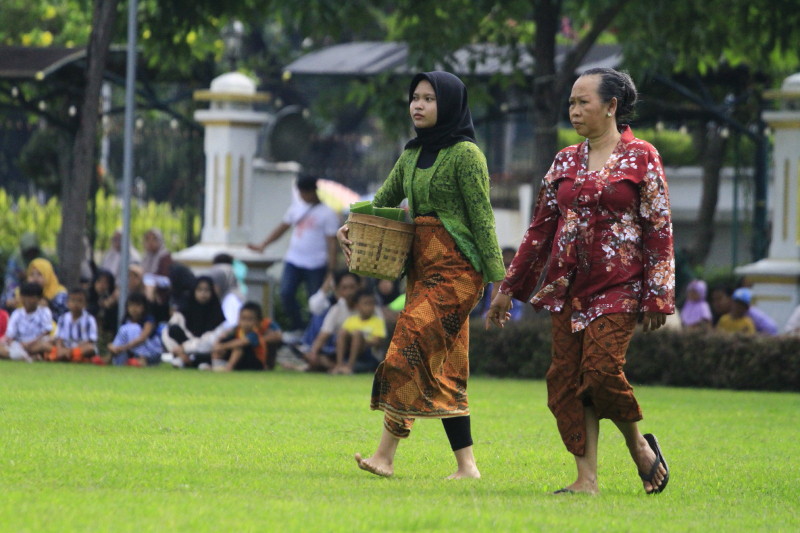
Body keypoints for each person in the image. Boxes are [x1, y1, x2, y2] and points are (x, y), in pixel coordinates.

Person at [487, 68, 672, 495]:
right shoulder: (564, 160)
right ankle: (586, 480)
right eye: (571, 102)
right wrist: (507, 289)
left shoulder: (642, 156)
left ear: (611, 106)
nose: (574, 110)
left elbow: (659, 228)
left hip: (620, 284)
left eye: (583, 102)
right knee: (568, 380)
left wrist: (658, 295)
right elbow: (539, 230)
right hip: (567, 287)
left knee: (602, 371)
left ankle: (638, 445)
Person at [338, 71, 505, 479]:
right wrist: (351, 224)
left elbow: (483, 220)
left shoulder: (467, 155)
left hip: (459, 273)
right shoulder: (411, 154)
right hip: (422, 272)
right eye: (415, 97)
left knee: (407, 348)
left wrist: (500, 280)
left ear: (448, 105)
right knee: (447, 368)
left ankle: (385, 456)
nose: (418, 105)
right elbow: (383, 201)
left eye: (429, 98)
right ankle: (467, 466)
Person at [248, 174, 340, 342]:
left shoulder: (327, 214)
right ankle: (298, 327)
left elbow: (332, 243)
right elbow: (282, 228)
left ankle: (313, 336)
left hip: (316, 263)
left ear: (312, 192)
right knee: (286, 293)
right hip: (294, 260)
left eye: (303, 192)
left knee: (316, 303)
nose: (301, 196)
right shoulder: (296, 208)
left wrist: (331, 270)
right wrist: (263, 245)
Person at [162, 276, 227, 369]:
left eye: (207, 290)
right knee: (173, 330)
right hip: (183, 350)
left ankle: (191, 361)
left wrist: (184, 348)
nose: (203, 293)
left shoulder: (217, 314)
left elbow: (209, 341)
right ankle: (184, 359)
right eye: (199, 290)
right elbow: (166, 333)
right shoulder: (183, 312)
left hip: (205, 351)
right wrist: (179, 352)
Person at [303, 271, 361, 371]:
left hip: (363, 353)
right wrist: (313, 353)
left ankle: (344, 367)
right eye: (344, 288)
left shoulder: (369, 305)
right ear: (338, 290)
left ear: (359, 287)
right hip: (340, 352)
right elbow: (324, 334)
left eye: (352, 287)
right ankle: (340, 367)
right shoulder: (336, 309)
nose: (349, 292)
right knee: (317, 357)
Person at [211, 302, 280, 371]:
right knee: (224, 342)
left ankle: (228, 367)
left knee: (238, 346)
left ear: (258, 322)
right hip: (244, 361)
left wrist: (222, 346)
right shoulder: (237, 331)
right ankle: (216, 364)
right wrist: (219, 344)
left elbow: (242, 342)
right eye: (243, 318)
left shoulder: (255, 334)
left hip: (256, 363)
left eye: (250, 319)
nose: (246, 323)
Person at [332, 289, 387, 375]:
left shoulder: (377, 321)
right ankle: (339, 365)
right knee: (343, 333)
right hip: (350, 352)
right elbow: (341, 338)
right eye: (366, 303)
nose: (369, 307)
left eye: (372, 303)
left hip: (369, 355)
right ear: (357, 306)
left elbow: (377, 341)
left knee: (357, 334)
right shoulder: (351, 320)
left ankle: (349, 367)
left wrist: (360, 341)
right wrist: (353, 341)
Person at [0, 282, 53, 362]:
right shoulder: (17, 313)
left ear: (39, 299)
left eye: (31, 298)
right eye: (24, 297)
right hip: (20, 344)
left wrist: (30, 343)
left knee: (45, 345)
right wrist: (8, 341)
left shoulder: (44, 311)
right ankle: (29, 357)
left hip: (37, 343)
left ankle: (20, 356)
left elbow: (47, 331)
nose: (27, 300)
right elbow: (10, 335)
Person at [108, 292, 163, 367]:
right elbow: (120, 338)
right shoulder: (126, 321)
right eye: (131, 305)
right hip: (130, 350)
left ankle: (141, 359)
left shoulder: (148, 319)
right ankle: (111, 358)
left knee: (134, 328)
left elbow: (143, 338)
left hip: (151, 353)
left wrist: (123, 348)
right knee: (124, 329)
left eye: (138, 305)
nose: (134, 308)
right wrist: (113, 347)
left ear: (144, 307)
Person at [48, 287, 98, 363]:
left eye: (79, 301)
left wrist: (71, 350)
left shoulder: (89, 319)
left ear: (85, 304)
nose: (76, 304)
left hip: (81, 348)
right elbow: (59, 338)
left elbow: (91, 340)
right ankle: (73, 357)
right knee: (49, 345)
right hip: (66, 347)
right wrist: (60, 349)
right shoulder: (63, 318)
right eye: (73, 300)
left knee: (90, 348)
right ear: (67, 303)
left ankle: (70, 356)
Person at [711, 285, 778, 335]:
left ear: (746, 307)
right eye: (736, 303)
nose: (737, 307)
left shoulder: (749, 319)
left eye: (741, 305)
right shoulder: (724, 319)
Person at [2, 232, 43, 311]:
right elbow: (10, 280)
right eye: (29, 251)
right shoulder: (16, 259)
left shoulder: (41, 256)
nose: (31, 254)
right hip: (18, 289)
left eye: (33, 251)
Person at [207, 263, 244, 329]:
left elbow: (230, 325)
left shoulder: (231, 299)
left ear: (222, 284)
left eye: (215, 285)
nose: (211, 289)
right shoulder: (221, 298)